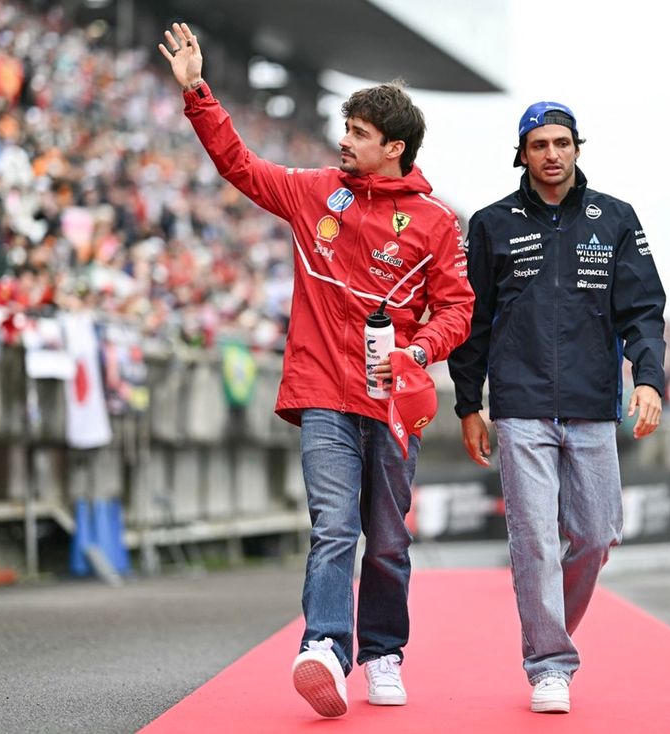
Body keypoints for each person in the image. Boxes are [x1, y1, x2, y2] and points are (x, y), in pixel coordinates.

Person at [159, 23, 473, 718]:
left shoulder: (437, 223)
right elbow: (240, 165)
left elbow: (458, 310)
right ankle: (326, 646)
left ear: (394, 148)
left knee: (387, 538)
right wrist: (197, 93)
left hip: (393, 404)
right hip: (322, 394)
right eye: (346, 128)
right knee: (334, 526)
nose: (344, 141)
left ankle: (384, 651)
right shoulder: (314, 193)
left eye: (359, 133)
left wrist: (418, 351)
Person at [447, 101, 666, 714]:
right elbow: (472, 321)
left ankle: (548, 631)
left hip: (595, 405)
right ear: (522, 152)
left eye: (562, 143)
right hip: (519, 406)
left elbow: (644, 310)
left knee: (595, 536)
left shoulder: (615, 219)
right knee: (536, 540)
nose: (551, 154)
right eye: (539, 144)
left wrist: (646, 381)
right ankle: (549, 664)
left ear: (577, 148)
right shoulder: (491, 224)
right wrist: (469, 403)